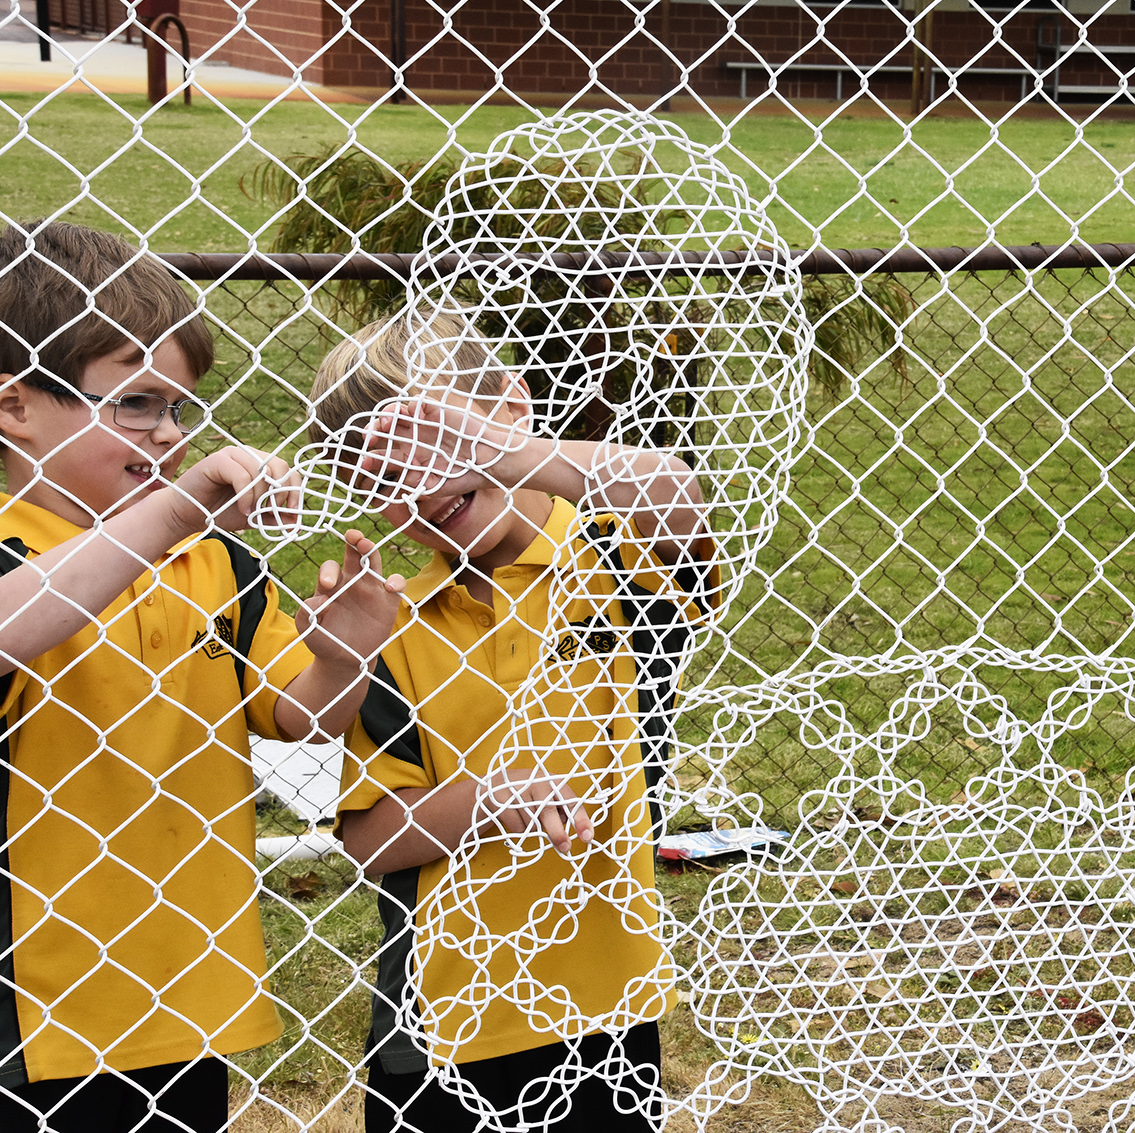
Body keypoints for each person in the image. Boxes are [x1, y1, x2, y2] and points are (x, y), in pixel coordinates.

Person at [0, 221, 406, 1131]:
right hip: (32, 1007)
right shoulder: (19, 549)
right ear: (16, 406)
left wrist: (345, 652)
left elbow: (302, 717)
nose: (172, 434)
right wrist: (179, 506)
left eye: (182, 408)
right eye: (137, 406)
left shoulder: (210, 560)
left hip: (181, 992)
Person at [308, 307, 715, 1132]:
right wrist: (494, 801)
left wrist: (504, 454)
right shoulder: (389, 621)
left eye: (438, 446)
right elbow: (371, 837)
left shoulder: (611, 551)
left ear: (513, 405)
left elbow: (673, 489)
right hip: (442, 1017)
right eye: (385, 476)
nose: (422, 487)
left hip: (606, 996)